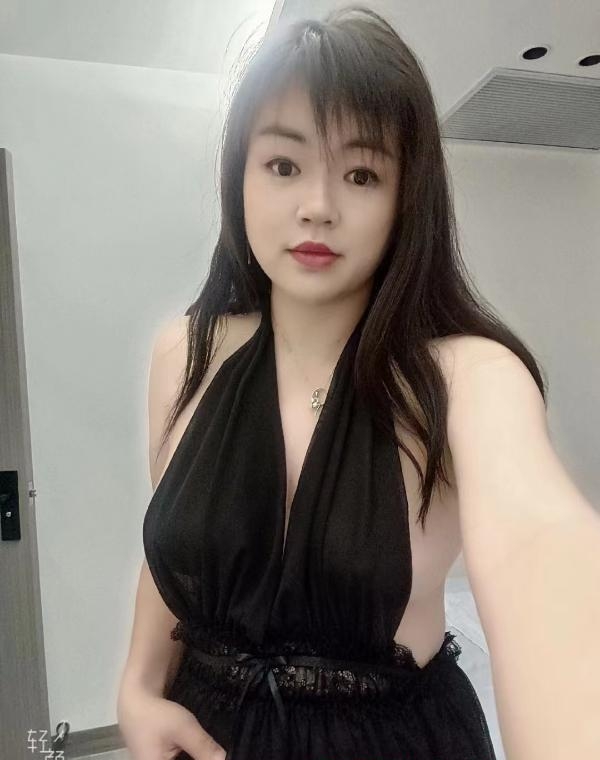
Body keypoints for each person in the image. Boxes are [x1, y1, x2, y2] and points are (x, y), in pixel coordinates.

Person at [117, 7, 600, 760]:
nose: (318, 205)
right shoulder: (186, 351)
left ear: (407, 198)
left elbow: (543, 548)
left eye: (362, 173)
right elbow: (180, 543)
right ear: (239, 177)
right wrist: (138, 687)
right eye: (284, 165)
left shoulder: (467, 377)